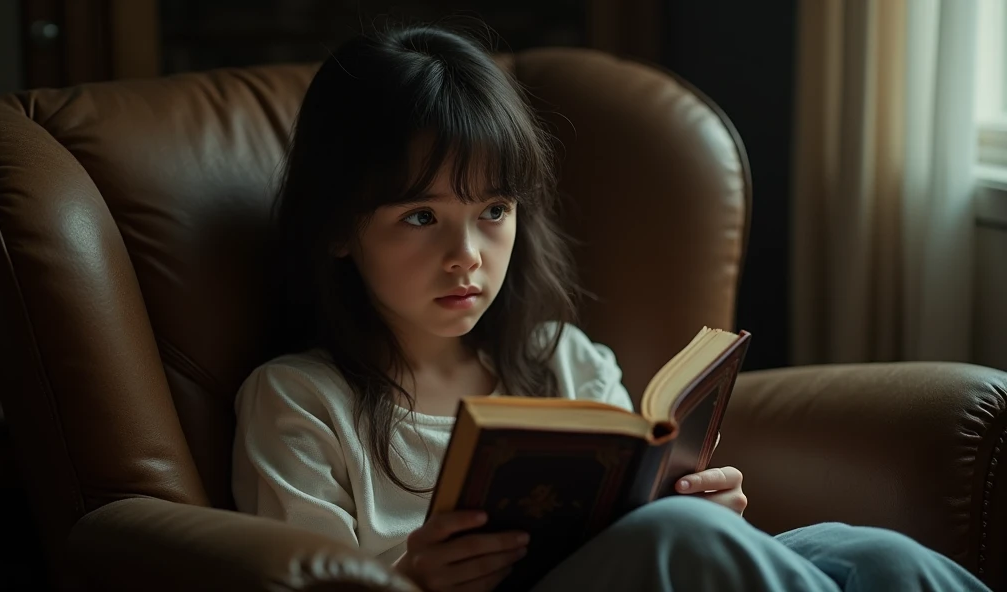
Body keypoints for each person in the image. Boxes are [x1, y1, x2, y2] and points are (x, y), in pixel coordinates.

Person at [231, 22, 991, 592]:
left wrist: (700, 505)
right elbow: (301, 577)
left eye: (493, 211)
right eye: (421, 218)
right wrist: (412, 575)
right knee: (680, 540)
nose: (467, 254)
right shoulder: (300, 401)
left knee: (874, 555)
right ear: (338, 227)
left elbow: (636, 522)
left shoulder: (560, 357)